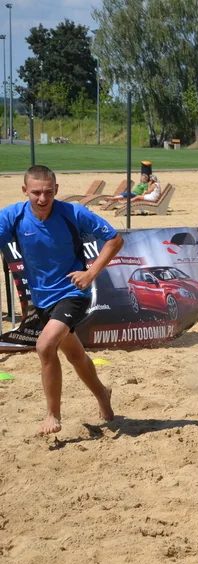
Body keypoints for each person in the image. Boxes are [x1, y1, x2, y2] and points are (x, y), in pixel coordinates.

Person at [0, 165, 123, 435]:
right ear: (24, 191)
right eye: (36, 193)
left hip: (73, 293)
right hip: (42, 299)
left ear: (57, 190)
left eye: (48, 192)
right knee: (76, 355)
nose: (42, 199)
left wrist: (91, 273)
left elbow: (114, 239)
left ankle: (52, 415)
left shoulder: (74, 213)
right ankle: (103, 394)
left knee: (45, 346)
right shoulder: (13, 215)